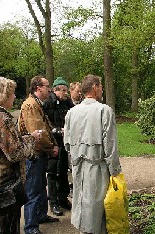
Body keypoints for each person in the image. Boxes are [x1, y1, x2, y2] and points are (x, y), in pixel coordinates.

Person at [0, 76, 41, 234]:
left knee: (1, 224)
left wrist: (26, 138)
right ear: (2, 95)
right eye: (12, 93)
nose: (14, 96)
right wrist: (31, 141)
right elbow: (15, 153)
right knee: (8, 226)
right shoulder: (2, 118)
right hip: (6, 183)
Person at [64, 74, 122, 234]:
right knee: (97, 208)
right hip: (97, 167)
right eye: (101, 86)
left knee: (82, 203)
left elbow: (66, 143)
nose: (102, 90)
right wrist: (115, 172)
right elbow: (110, 146)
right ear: (95, 87)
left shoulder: (71, 112)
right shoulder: (104, 110)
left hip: (78, 167)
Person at [18, 75, 59, 234]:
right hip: (34, 154)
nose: (49, 89)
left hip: (40, 153)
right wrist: (52, 148)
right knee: (33, 190)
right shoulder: (30, 105)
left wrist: (52, 144)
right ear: (38, 88)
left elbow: (45, 128)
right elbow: (38, 134)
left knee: (41, 186)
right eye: (47, 86)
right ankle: (31, 227)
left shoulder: (37, 104)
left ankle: (40, 216)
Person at [43, 77, 73, 216]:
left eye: (67, 90)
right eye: (64, 90)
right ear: (56, 90)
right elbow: (45, 123)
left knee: (63, 170)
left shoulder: (67, 102)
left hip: (64, 142)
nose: (66, 93)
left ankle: (63, 198)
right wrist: (57, 130)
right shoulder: (48, 103)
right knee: (52, 172)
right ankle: (53, 202)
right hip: (53, 142)